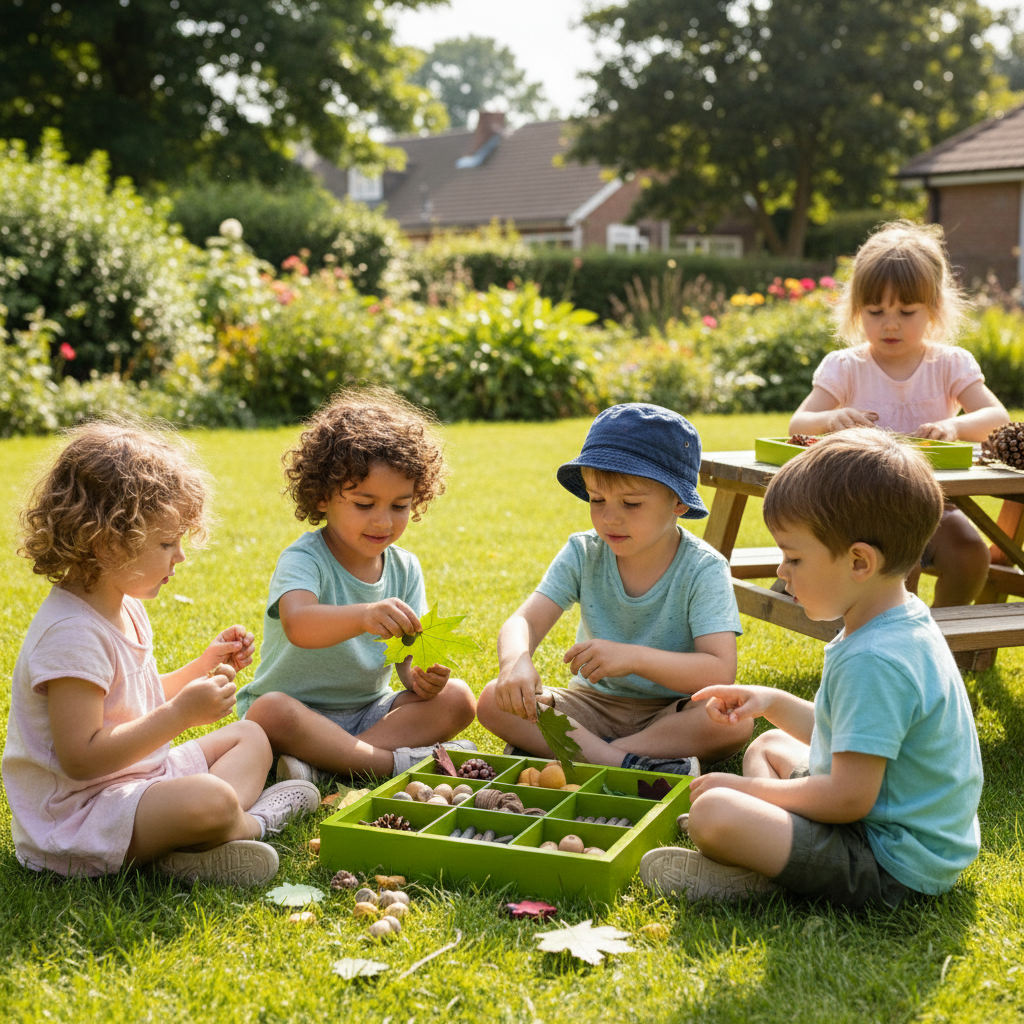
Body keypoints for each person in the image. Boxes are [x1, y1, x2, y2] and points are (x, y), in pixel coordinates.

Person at [640, 430, 983, 907]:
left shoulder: (875, 659)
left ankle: (760, 874)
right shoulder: (893, 621)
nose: (782, 571)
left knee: (714, 812)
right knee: (770, 743)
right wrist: (773, 702)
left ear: (859, 561)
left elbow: (848, 799)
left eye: (794, 557)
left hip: (892, 863)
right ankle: (766, 851)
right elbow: (849, 733)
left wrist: (746, 789)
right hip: (891, 824)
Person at [2, 423, 319, 886]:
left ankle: (181, 850)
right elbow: (81, 758)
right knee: (210, 799)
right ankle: (255, 823)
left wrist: (203, 666)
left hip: (139, 780)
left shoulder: (122, 605)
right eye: (167, 543)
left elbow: (134, 700)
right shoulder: (72, 634)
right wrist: (179, 716)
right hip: (82, 815)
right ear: (109, 542)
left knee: (250, 736)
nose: (180, 557)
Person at [476, 403, 752, 775]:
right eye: (597, 500)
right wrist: (515, 662)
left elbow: (718, 671)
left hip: (670, 715)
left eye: (631, 503)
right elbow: (522, 621)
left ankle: (587, 754)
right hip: (589, 705)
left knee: (732, 718)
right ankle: (627, 764)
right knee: (494, 698)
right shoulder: (584, 552)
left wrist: (633, 658)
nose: (610, 517)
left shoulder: (703, 568)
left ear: (679, 502)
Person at [238, 387, 477, 782]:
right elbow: (299, 624)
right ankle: (390, 764)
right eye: (365, 505)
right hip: (299, 712)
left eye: (399, 505)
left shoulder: (405, 567)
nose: (383, 522)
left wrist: (418, 677)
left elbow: (405, 656)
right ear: (321, 498)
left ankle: (329, 764)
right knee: (269, 712)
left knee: (459, 699)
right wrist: (364, 615)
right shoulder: (305, 558)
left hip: (372, 712)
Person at [789, 220, 1008, 609]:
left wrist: (954, 425)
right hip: (864, 515)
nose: (890, 324)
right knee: (897, 568)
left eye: (906, 311)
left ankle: (943, 640)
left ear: (934, 309)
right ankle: (894, 641)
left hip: (936, 507)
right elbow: (798, 424)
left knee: (971, 554)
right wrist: (830, 419)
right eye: (875, 311)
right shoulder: (846, 367)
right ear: (857, 310)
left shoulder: (949, 364)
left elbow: (997, 418)